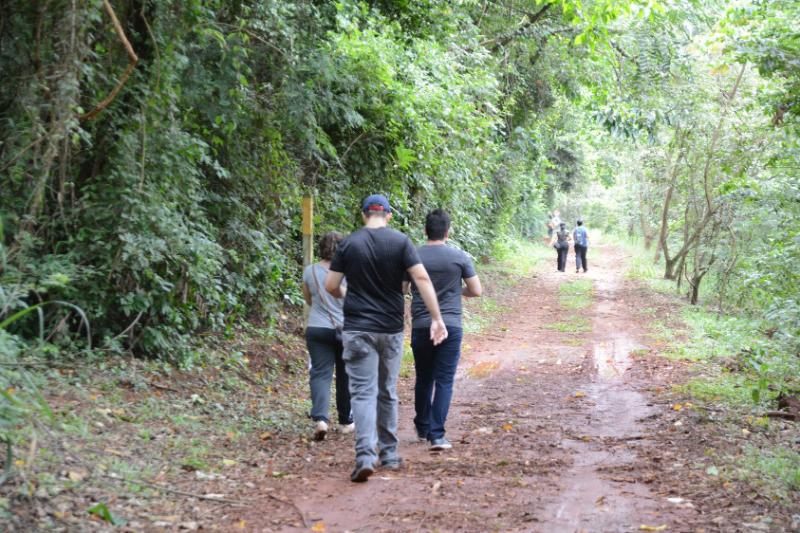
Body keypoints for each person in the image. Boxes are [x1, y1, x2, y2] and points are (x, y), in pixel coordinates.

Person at [325, 194, 448, 483]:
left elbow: (331, 285)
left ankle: (365, 456)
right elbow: (421, 280)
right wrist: (437, 318)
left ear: (363, 214)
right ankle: (390, 455)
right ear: (389, 215)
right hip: (390, 328)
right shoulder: (401, 242)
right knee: (387, 390)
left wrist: (348, 297)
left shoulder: (349, 244)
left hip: (357, 328)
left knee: (363, 393)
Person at [405, 209, 482, 451]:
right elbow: (476, 290)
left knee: (424, 377)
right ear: (448, 232)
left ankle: (423, 425)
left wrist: (419, 291)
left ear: (425, 230)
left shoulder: (413, 255)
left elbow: (403, 287)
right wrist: (456, 292)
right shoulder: (459, 256)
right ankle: (437, 435)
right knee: (445, 380)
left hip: (420, 324)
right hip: (450, 324)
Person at [302, 231, 353, 441]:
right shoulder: (350, 272)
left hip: (317, 327)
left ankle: (321, 419)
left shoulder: (310, 271)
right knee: (346, 374)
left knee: (320, 373)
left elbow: (308, 299)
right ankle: (345, 422)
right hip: (346, 328)